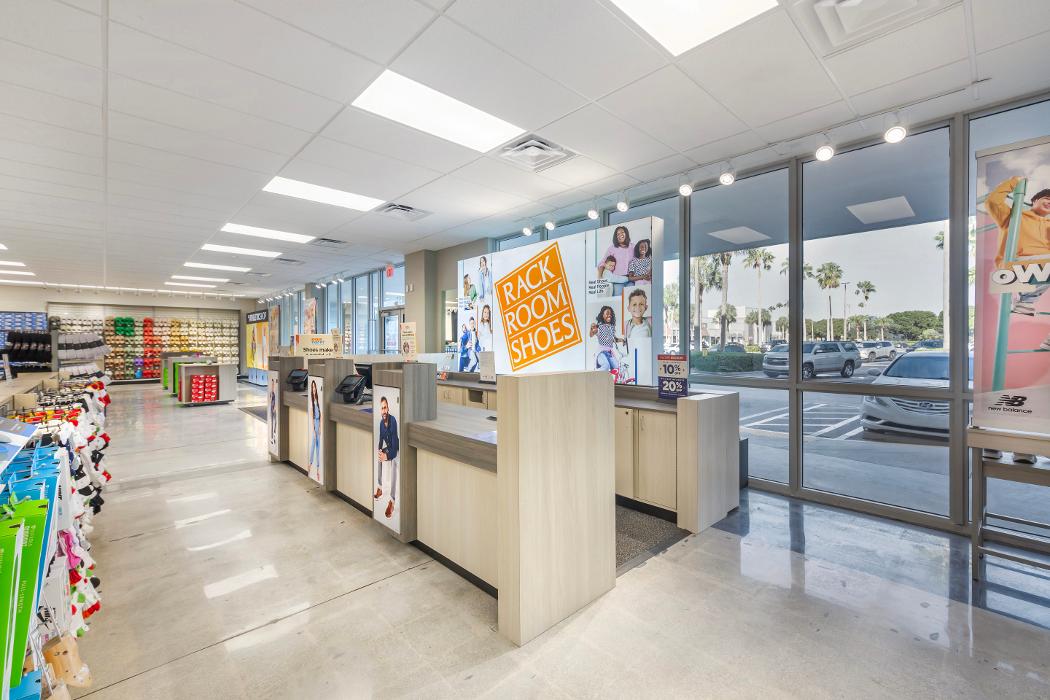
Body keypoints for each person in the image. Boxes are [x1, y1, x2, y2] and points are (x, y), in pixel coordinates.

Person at [986, 177, 1050, 344]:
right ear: (1035, 199)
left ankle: (1026, 301)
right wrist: (1014, 182)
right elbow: (992, 202)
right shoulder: (1014, 216)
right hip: (1013, 266)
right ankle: (1027, 299)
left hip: (1042, 268)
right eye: (1047, 198)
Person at [373, 396, 399, 519]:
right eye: (382, 408)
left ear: (388, 408)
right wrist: (380, 452)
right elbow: (380, 440)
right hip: (389, 448)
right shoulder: (380, 423)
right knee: (379, 456)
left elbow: (394, 448)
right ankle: (380, 488)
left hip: (397, 449)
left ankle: (392, 501)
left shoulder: (393, 421)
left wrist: (386, 455)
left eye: (385, 407)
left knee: (394, 462)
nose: (383, 410)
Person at [589, 305, 621, 372]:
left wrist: (622, 340)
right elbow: (591, 334)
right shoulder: (599, 327)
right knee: (606, 365)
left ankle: (611, 378)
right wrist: (592, 328)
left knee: (617, 368)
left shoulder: (611, 327)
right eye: (607, 314)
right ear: (602, 315)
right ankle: (594, 374)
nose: (609, 315)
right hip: (601, 353)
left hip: (610, 353)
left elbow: (614, 339)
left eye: (610, 314)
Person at [308, 379, 321, 479]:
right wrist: (314, 430)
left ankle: (318, 470)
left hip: (318, 423)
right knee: (313, 445)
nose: (314, 389)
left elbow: (321, 415)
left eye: (314, 387)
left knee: (318, 447)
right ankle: (310, 464)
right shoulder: (311, 401)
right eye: (312, 387)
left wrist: (320, 427)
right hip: (314, 424)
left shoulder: (318, 399)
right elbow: (312, 417)